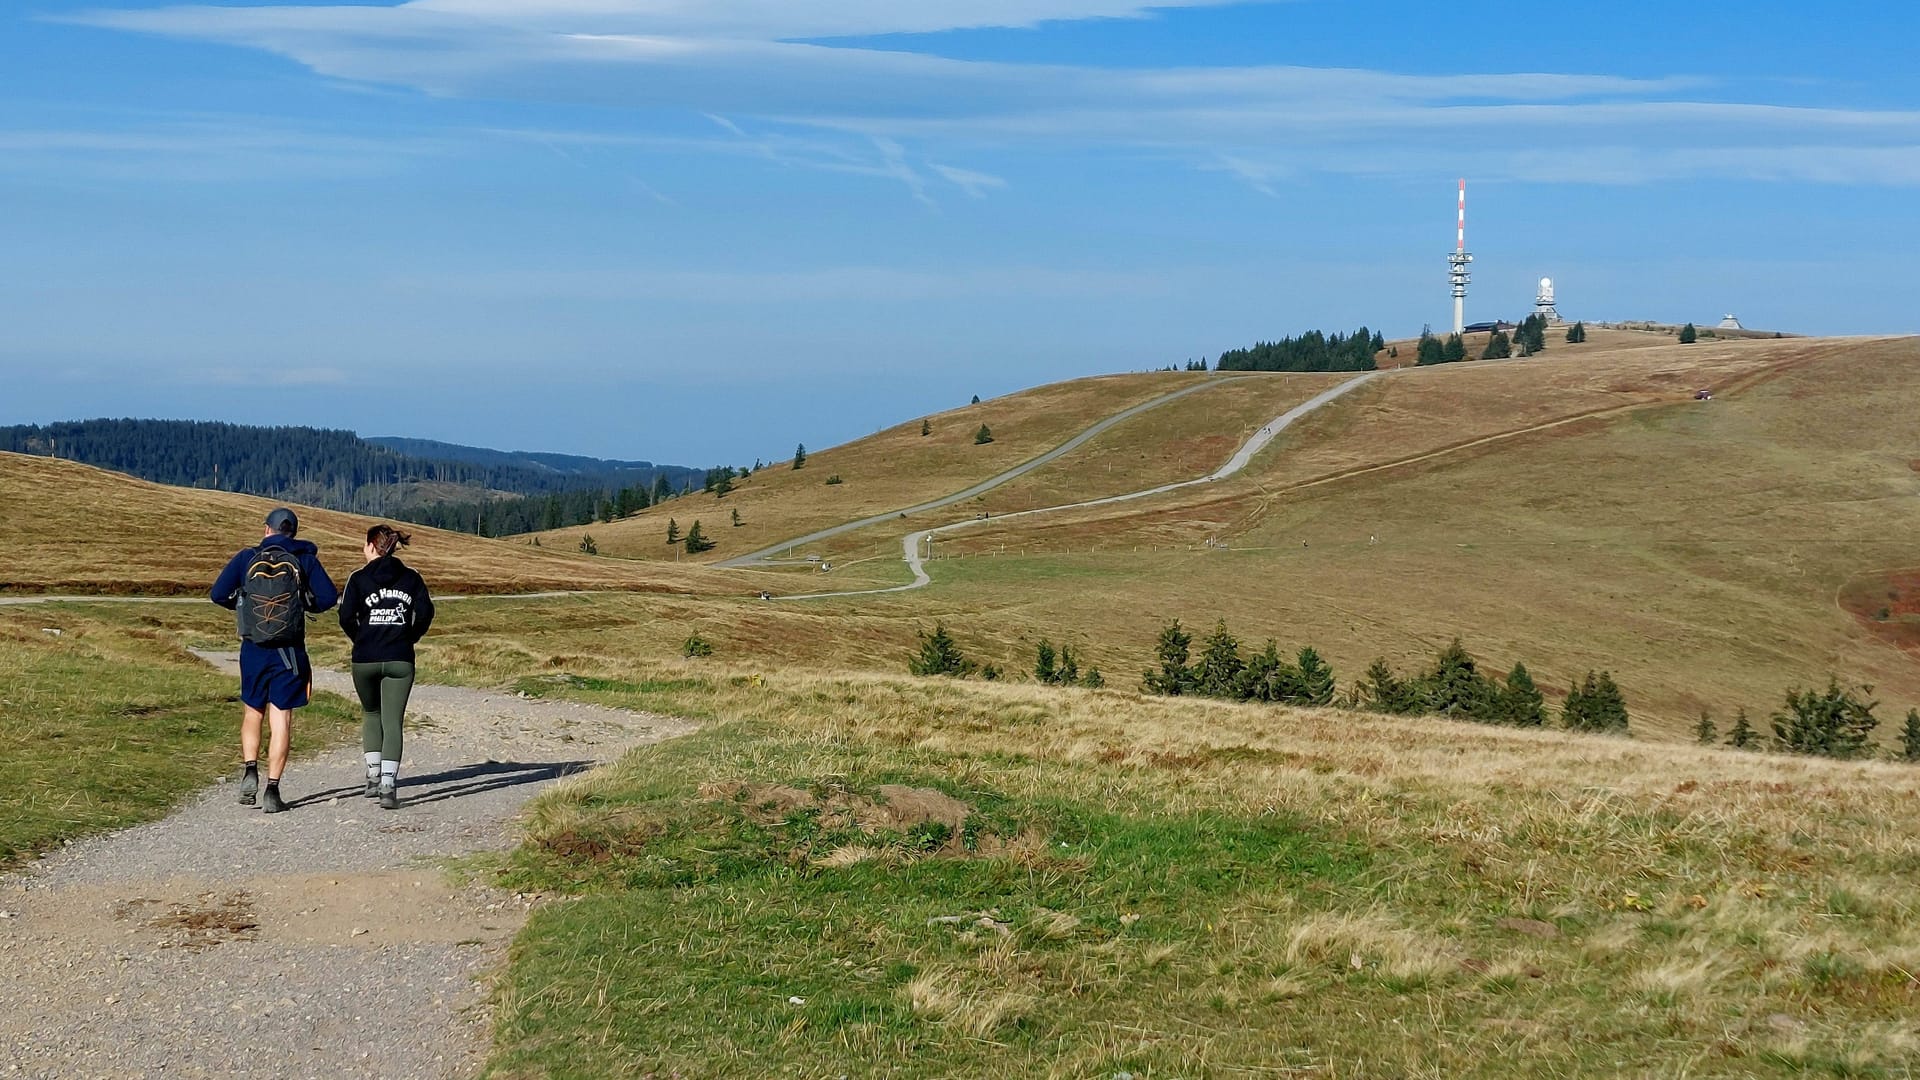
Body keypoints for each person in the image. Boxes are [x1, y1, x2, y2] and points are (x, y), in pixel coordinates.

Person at [210, 507, 338, 814]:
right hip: (289, 651)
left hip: (253, 648)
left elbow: (218, 594)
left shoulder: (246, 557)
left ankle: (250, 769)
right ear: (293, 532)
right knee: (281, 719)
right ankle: (272, 790)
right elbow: (329, 597)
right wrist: (303, 605)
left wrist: (244, 608)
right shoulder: (305, 559)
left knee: (252, 710)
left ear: (267, 529)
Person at [338, 524, 434, 810]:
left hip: (364, 658)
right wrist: (410, 636)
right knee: (393, 722)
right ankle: (389, 786)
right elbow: (426, 612)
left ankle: (372, 775)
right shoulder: (411, 577)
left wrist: (361, 638)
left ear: (370, 546)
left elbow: (344, 616)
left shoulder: (358, 578)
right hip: (400, 657)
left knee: (371, 712)